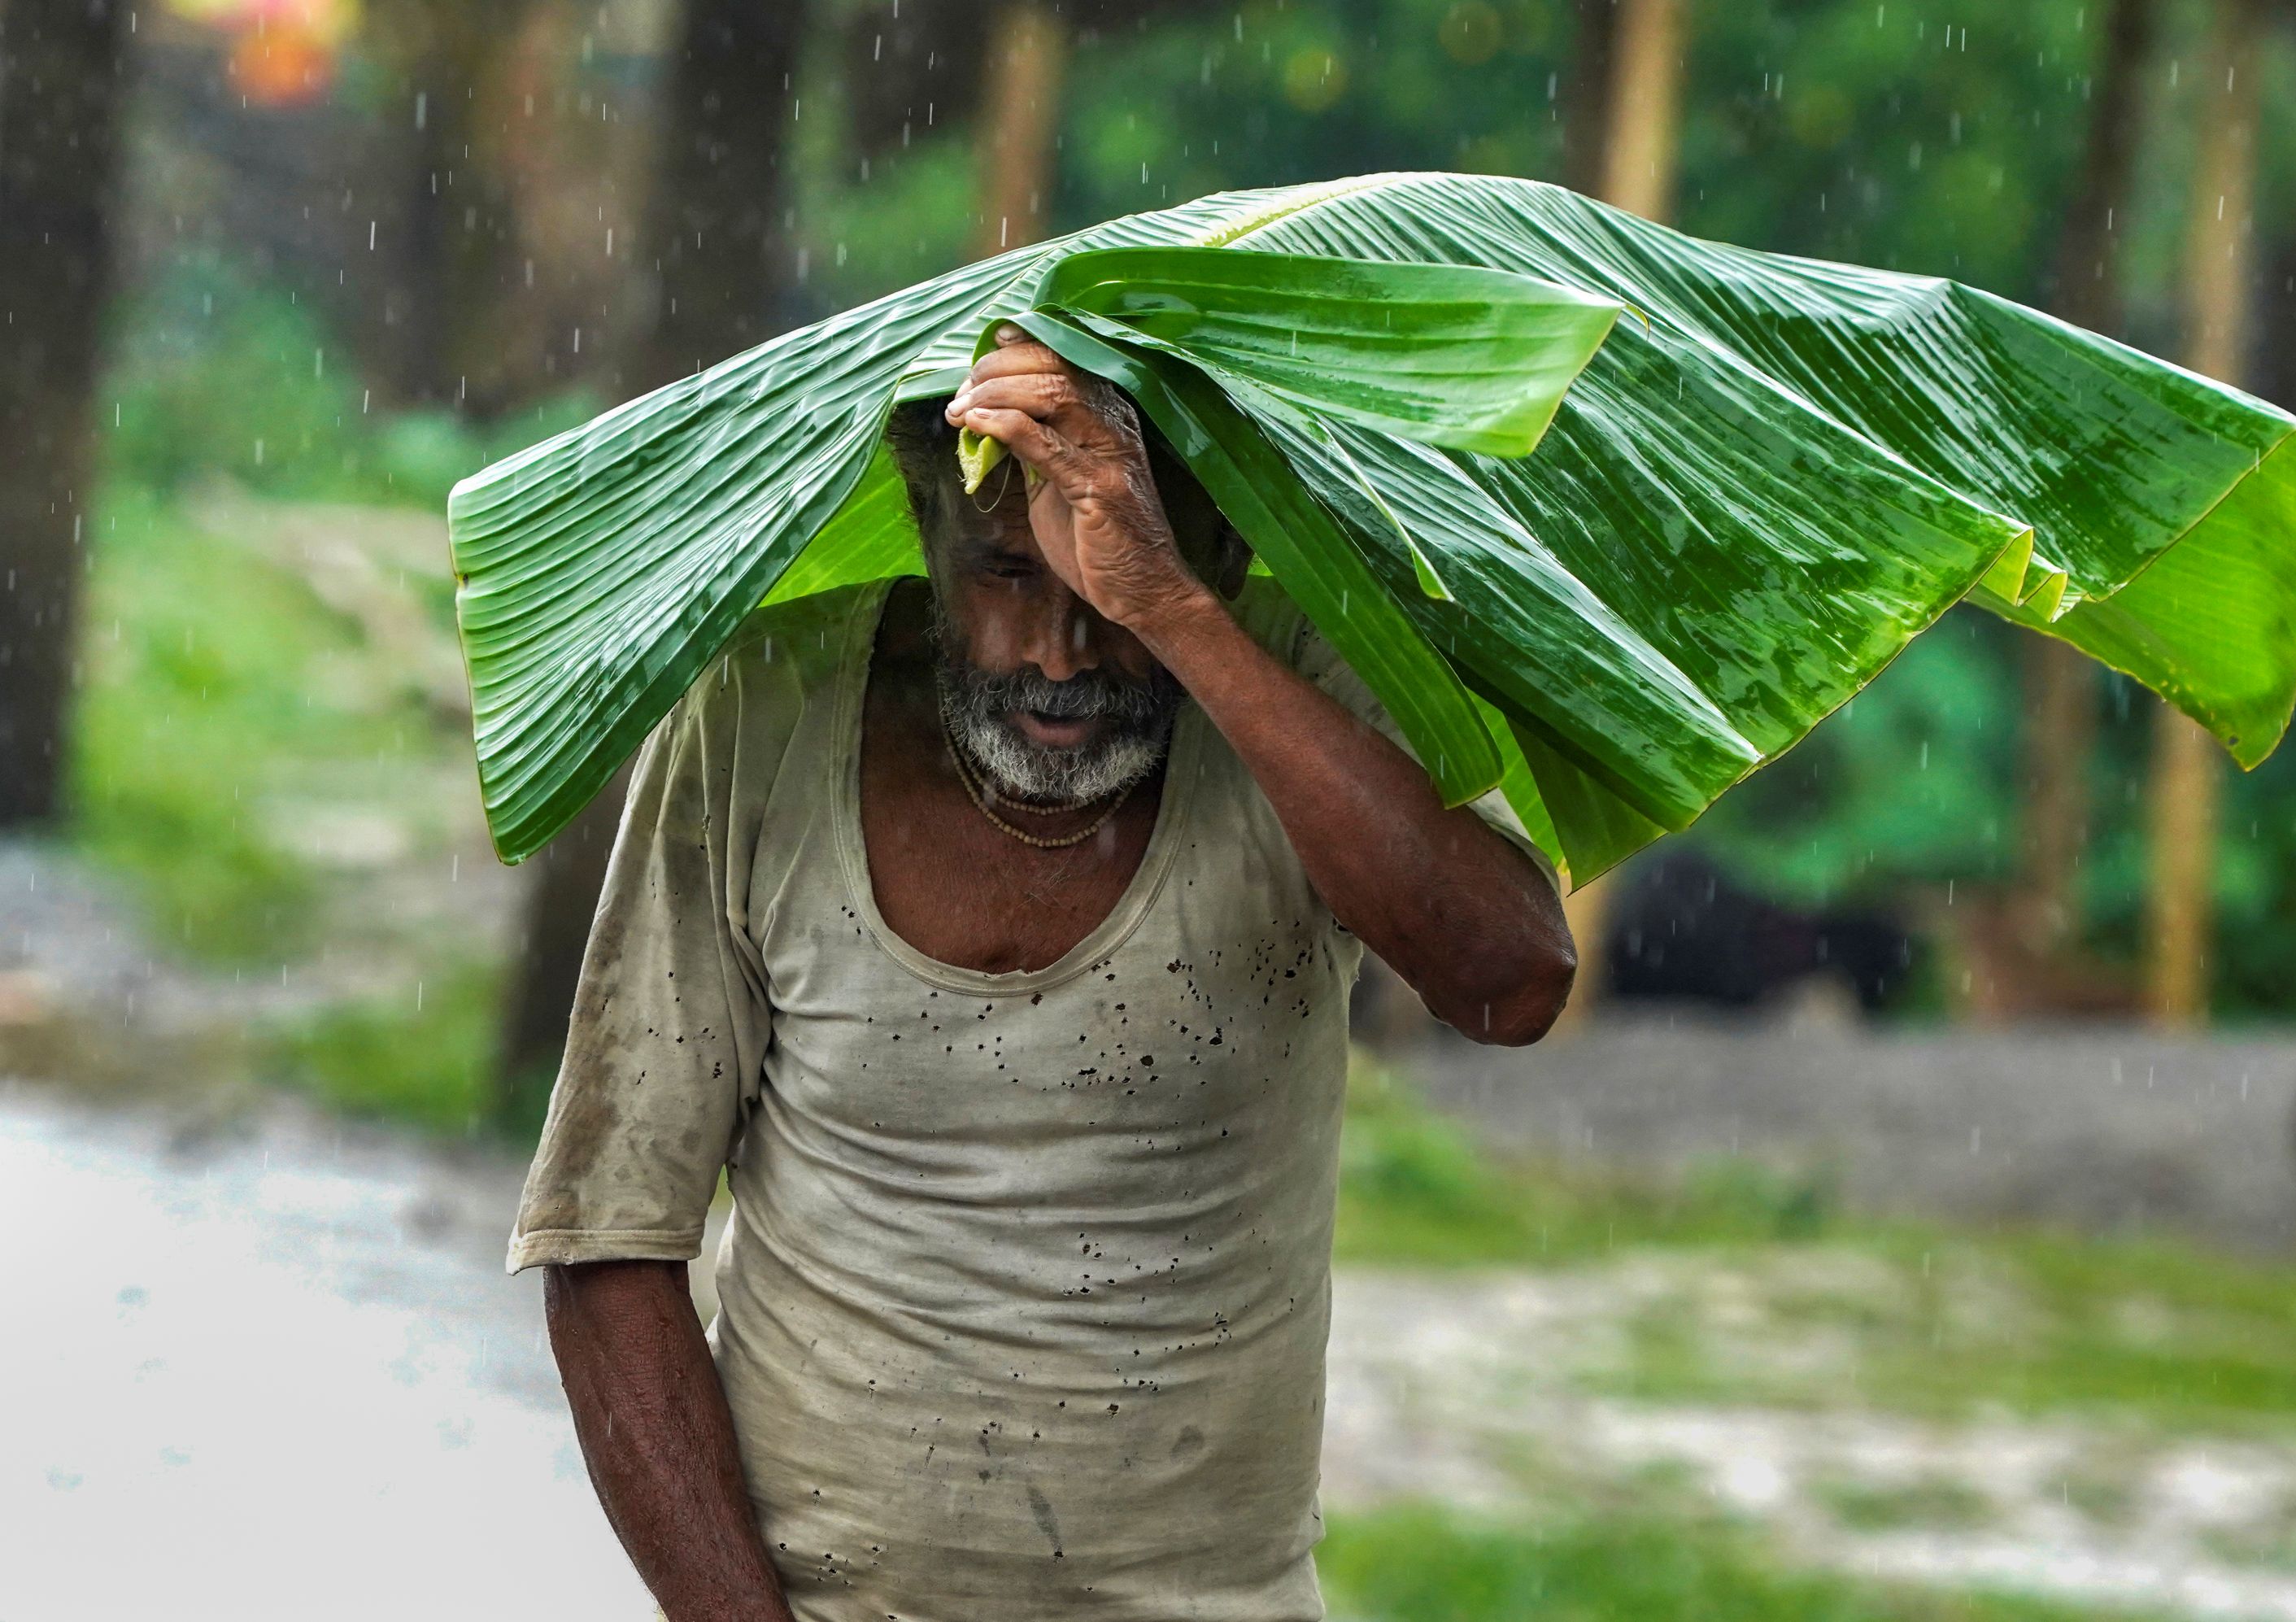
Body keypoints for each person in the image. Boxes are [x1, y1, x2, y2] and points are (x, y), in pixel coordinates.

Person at [510, 327, 1576, 1621]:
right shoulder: (763, 709)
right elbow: (607, 1235)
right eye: (1010, 571)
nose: (1062, 653)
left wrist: (1175, 615)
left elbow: (1509, 983)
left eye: (1111, 580)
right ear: (921, 527)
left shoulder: (1298, 678)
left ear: (1226, 551)